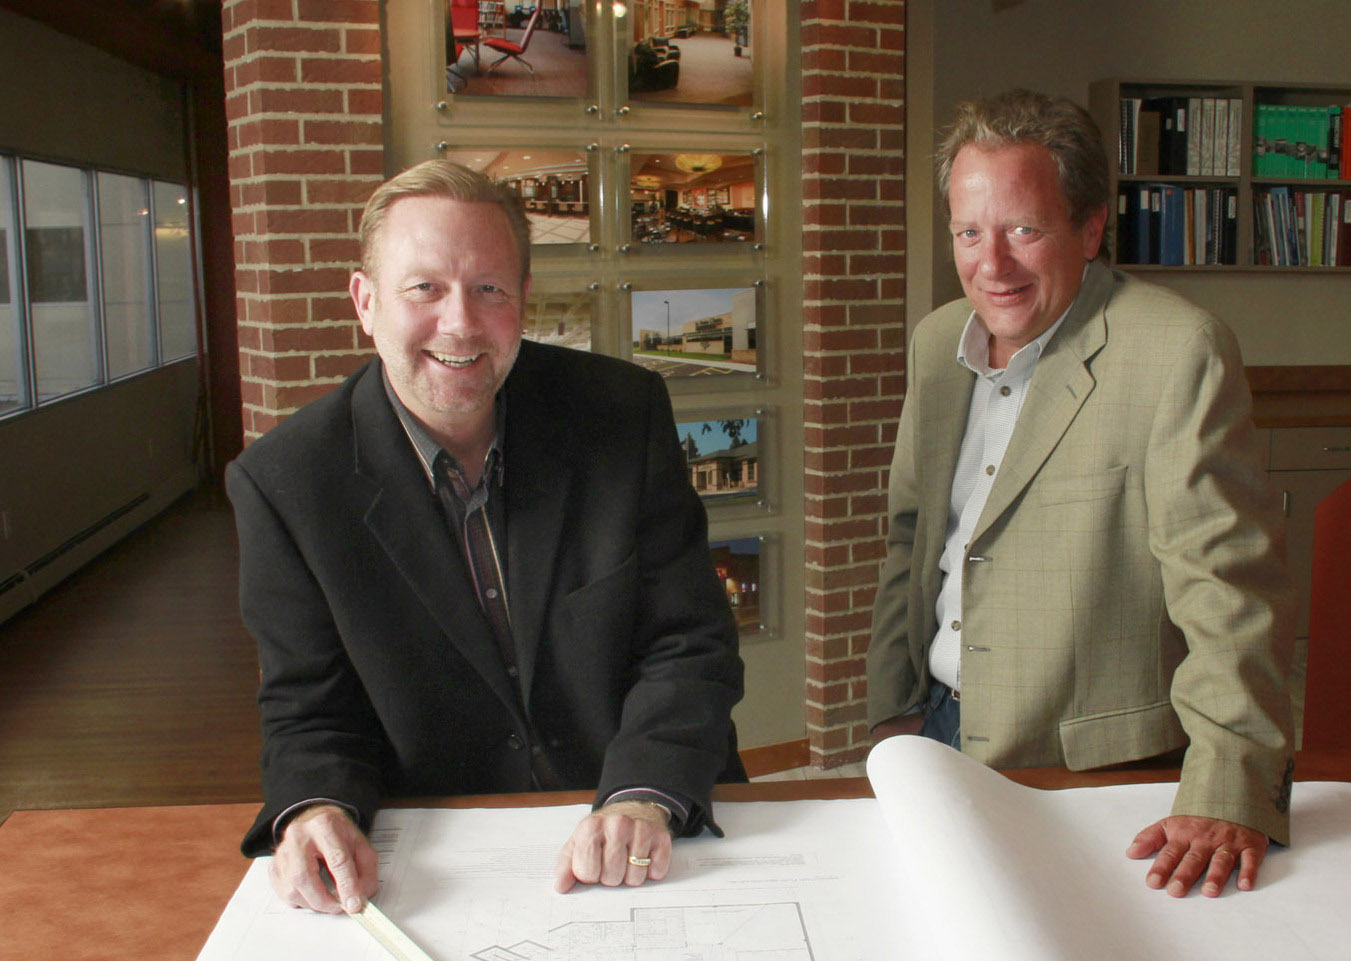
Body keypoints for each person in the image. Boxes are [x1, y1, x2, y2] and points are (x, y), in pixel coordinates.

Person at [227, 159, 745, 914]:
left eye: (489, 289)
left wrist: (642, 794)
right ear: (365, 302)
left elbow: (688, 638)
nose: (461, 323)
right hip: (447, 858)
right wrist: (314, 807)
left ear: (524, 299)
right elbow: (309, 706)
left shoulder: (621, 412)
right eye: (424, 288)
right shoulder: (286, 483)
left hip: (648, 823)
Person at [866, 90, 1296, 899]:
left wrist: (1224, 788)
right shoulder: (935, 342)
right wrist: (894, 712)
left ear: (1090, 228)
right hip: (935, 728)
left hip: (1092, 765)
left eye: (1023, 230)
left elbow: (1227, 589)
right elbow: (912, 536)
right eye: (968, 232)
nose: (990, 264)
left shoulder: (1176, 349)